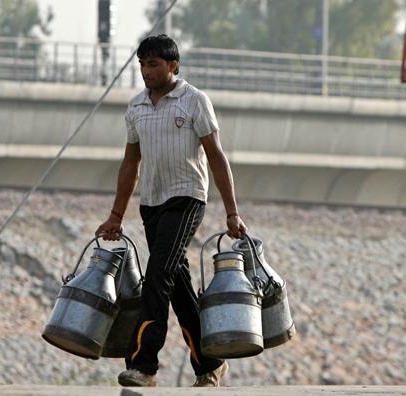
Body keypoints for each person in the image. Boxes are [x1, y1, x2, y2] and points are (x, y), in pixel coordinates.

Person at [95, 34, 247, 388]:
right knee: (176, 285)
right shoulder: (136, 108)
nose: (147, 72)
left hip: (187, 198)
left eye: (154, 65)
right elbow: (130, 163)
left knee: (157, 274)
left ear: (173, 66)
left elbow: (216, 156)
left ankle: (144, 365)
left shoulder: (194, 101)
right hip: (152, 203)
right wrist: (116, 215)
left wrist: (231, 212)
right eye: (143, 65)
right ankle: (209, 362)